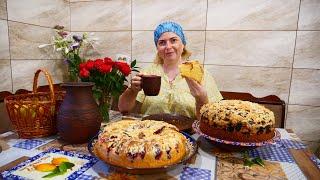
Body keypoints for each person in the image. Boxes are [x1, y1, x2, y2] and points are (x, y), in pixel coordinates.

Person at [118, 21, 222, 119]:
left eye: (174, 40)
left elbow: (211, 120)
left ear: (183, 44)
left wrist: (201, 98)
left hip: (187, 135)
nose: (168, 46)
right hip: (150, 133)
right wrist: (132, 91)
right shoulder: (148, 73)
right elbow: (123, 109)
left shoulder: (201, 74)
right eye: (162, 42)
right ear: (157, 48)